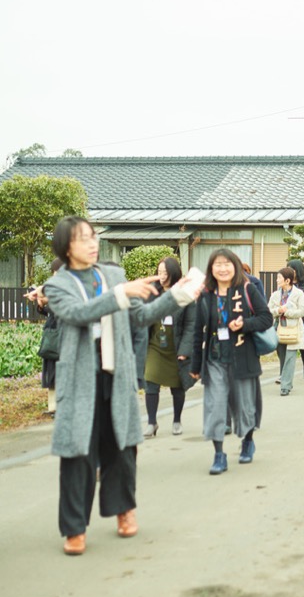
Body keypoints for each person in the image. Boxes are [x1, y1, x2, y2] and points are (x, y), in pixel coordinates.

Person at [43, 216, 200, 555]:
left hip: (116, 374)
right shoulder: (58, 285)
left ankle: (124, 510)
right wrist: (119, 294)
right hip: (80, 378)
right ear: (65, 247)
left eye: (92, 236)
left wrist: (178, 295)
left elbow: (141, 316)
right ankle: (74, 529)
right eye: (82, 238)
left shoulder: (112, 275)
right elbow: (77, 314)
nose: (92, 243)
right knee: (78, 454)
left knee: (122, 448)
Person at [191, 249, 272, 475]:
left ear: (235, 266)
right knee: (215, 406)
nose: (223, 268)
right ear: (211, 268)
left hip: (242, 356)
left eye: (227, 264)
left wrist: (244, 324)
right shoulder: (206, 295)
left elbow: (266, 317)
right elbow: (197, 331)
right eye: (218, 264)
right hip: (215, 358)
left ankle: (247, 440)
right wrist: (195, 365)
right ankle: (219, 454)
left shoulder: (247, 289)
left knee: (245, 405)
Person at [142, 256, 197, 437]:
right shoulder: (152, 292)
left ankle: (177, 420)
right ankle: (151, 422)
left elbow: (191, 324)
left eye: (165, 272)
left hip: (176, 344)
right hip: (155, 344)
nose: (162, 276)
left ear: (174, 273)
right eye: (159, 272)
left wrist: (185, 351)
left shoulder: (185, 293)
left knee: (177, 386)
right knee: (151, 381)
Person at [28, 258, 64, 414]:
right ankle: (52, 407)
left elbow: (61, 310)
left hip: (63, 334)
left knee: (60, 371)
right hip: (51, 333)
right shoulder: (51, 287)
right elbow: (49, 312)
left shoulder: (68, 288)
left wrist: (48, 302)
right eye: (54, 272)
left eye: (57, 272)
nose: (55, 275)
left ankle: (61, 407)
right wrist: (42, 304)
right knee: (50, 371)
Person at [267, 266, 304, 396]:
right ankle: (286, 381)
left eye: (279, 278)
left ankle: (285, 386)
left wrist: (288, 312)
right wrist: (277, 311)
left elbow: (303, 311)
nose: (277, 280)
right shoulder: (275, 295)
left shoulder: (298, 294)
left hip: (293, 329)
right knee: (282, 357)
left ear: (287, 280)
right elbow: (268, 310)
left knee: (290, 357)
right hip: (278, 329)